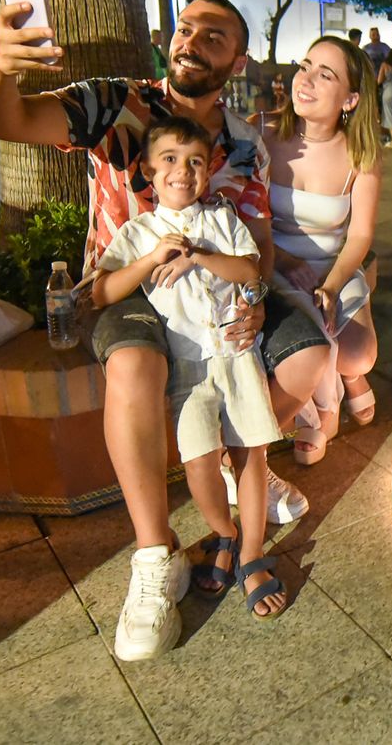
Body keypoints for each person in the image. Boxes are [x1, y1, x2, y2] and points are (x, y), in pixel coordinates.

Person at [0, 0, 323, 661]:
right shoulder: (117, 104)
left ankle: (228, 455)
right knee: (136, 366)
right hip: (133, 289)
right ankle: (157, 556)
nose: (190, 41)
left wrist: (255, 295)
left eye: (213, 36)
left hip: (218, 288)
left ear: (238, 61)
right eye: (185, 28)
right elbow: (8, 119)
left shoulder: (243, 142)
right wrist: (0, 70)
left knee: (310, 358)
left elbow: (256, 239)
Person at [93, 117, 289, 623]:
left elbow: (249, 269)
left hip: (236, 355)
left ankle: (251, 554)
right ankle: (224, 532)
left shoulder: (221, 220)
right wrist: (153, 259)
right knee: (200, 462)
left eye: (195, 161)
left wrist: (198, 257)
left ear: (208, 170)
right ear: (148, 171)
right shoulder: (139, 232)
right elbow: (102, 291)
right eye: (170, 159)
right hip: (187, 364)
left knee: (250, 453)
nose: (183, 170)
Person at [263, 36, 382, 464]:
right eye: (304, 66)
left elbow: (360, 236)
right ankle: (322, 413)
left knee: (358, 356)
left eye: (324, 75)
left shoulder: (361, 154)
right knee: (308, 334)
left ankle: (351, 378)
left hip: (332, 267)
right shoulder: (261, 133)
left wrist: (331, 285)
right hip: (272, 262)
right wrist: (283, 260)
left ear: (350, 99)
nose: (305, 80)